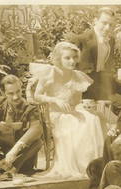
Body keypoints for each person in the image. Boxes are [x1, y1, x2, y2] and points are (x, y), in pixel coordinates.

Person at [34, 41, 104, 179]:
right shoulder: (49, 73)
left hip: (72, 111)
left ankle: (92, 166)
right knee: (73, 123)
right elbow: (37, 95)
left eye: (74, 57)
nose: (72, 61)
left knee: (93, 119)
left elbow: (77, 101)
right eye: (67, 58)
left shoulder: (77, 75)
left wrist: (83, 107)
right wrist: (55, 100)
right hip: (56, 114)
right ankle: (78, 166)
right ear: (59, 58)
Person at [0, 74, 43, 175]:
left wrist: (14, 151)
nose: (16, 97)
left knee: (38, 142)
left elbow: (36, 129)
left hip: (19, 158)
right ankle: (0, 167)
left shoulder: (30, 108)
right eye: (10, 93)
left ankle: (11, 169)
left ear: (21, 88)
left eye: (18, 91)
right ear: (3, 92)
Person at [66, 7, 121, 103]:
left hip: (103, 86)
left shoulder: (111, 41)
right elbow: (69, 67)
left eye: (111, 25)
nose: (107, 27)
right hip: (85, 89)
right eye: (104, 23)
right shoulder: (81, 39)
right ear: (95, 21)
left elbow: (108, 69)